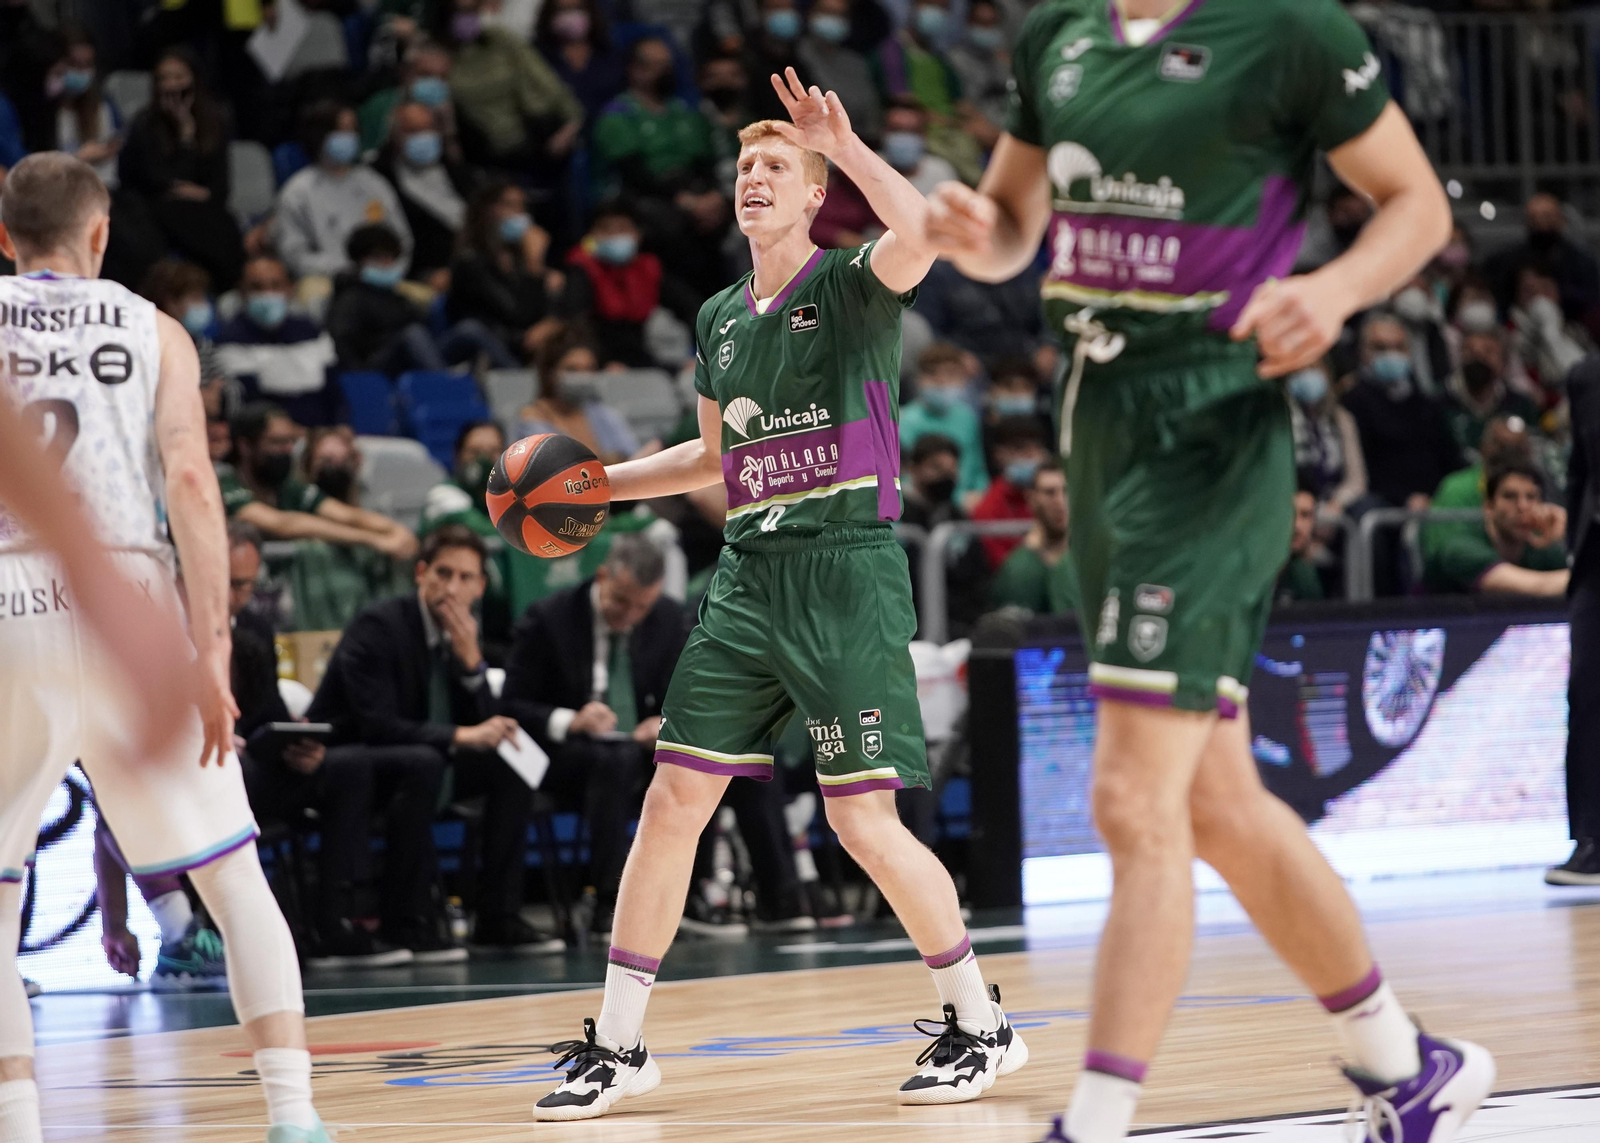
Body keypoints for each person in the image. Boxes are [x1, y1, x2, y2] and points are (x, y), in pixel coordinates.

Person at [922, 0, 1493, 1139]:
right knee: (1220, 804)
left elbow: (1416, 203)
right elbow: (1010, 232)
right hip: (1095, 428)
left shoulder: (1288, 30)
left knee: (1132, 799)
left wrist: (1331, 292)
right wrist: (959, 228)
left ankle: (1093, 1119)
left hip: (1213, 431)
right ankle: (1401, 1063)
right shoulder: (1059, 36)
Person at [533, 74, 1028, 1121]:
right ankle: (618, 1045)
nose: (753, 179)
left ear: (810, 197)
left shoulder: (853, 280)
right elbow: (712, 456)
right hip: (749, 576)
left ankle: (980, 1024)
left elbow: (921, 230)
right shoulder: (717, 317)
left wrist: (841, 144)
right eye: (744, 167)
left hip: (844, 567)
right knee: (672, 798)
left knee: (862, 823)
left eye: (773, 170)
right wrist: (601, 486)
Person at [0, 152, 330, 1143]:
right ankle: (294, 1117)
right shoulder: (157, 329)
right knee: (231, 879)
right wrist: (212, 647)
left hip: (9, 588)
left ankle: (19, 1126)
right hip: (131, 590)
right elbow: (192, 484)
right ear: (101, 236)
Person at [307, 525, 563, 954]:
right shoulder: (380, 626)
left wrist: (471, 665)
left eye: (465, 578)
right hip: (352, 759)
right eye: (443, 573)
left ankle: (497, 918)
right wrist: (464, 735)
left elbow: (488, 723)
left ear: (481, 587)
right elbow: (377, 724)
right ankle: (403, 921)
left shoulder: (466, 633)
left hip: (425, 758)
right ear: (420, 574)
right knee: (424, 762)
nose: (451, 588)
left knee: (509, 764)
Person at [500, 536, 690, 936]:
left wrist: (665, 723)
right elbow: (511, 705)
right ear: (603, 575)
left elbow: (691, 696)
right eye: (621, 601)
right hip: (566, 757)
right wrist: (570, 719)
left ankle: (696, 896)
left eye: (642, 606)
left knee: (698, 762)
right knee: (612, 762)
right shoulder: (549, 618)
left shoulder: (669, 618)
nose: (631, 615)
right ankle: (611, 903)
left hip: (639, 751)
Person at [221, 401, 418, 561]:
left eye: (290, 442)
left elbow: (346, 515)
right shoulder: (224, 482)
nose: (287, 450)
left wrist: (395, 529)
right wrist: (373, 539)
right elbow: (283, 524)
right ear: (245, 446)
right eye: (276, 442)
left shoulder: (287, 485)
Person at [116, 48, 243, 291]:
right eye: (164, 78)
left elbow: (219, 186)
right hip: (154, 208)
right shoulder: (145, 124)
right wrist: (185, 140)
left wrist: (188, 128)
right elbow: (157, 180)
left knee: (226, 227)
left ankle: (226, 289)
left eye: (178, 77)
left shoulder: (215, 120)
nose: (171, 85)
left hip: (203, 206)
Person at [327, 223, 519, 373]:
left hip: (416, 356)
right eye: (379, 258)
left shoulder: (398, 297)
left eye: (390, 258)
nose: (387, 264)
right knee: (413, 334)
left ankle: (521, 382)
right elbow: (342, 345)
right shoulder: (350, 298)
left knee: (470, 329)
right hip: (376, 364)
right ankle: (450, 390)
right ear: (360, 261)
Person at [438, 0, 584, 178]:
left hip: (530, 143)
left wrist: (571, 122)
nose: (468, 19)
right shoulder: (436, 56)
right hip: (477, 154)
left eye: (473, 11)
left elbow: (544, 80)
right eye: (461, 12)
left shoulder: (499, 39)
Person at [1552, 354, 1600, 886]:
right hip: (1596, 560)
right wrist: (1573, 549)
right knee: (1587, 698)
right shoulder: (1587, 376)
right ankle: (1591, 841)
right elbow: (1579, 471)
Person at [274, 101, 414, 283]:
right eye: (341, 131)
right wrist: (347, 271)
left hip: (383, 278)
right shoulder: (297, 191)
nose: (349, 137)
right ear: (319, 135)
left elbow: (402, 240)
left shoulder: (374, 183)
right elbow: (294, 254)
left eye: (352, 131)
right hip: (326, 282)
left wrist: (389, 270)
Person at [1341, 312, 1461, 513]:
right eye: (1380, 348)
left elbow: (1447, 456)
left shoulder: (1426, 402)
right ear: (1362, 351)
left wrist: (1437, 496)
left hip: (1431, 502)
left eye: (1398, 347)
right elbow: (1364, 468)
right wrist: (1404, 499)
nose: (1391, 355)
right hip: (1384, 505)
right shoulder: (1353, 402)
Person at [447, 180, 574, 362]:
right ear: (486, 211)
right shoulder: (470, 263)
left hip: (524, 346)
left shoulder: (520, 263)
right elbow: (517, 314)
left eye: (522, 207)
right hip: (485, 352)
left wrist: (551, 323)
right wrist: (535, 265)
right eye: (509, 205)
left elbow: (550, 314)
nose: (519, 215)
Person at [592, 38, 715, 203]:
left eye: (668, 66)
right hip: (646, 196)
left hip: (692, 188)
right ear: (635, 70)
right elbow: (632, 173)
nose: (666, 72)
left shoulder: (684, 109)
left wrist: (711, 196)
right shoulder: (618, 114)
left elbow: (704, 162)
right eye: (658, 66)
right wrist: (681, 200)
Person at [212, 256, 338, 417]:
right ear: (242, 292)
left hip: (319, 431)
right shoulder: (228, 338)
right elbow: (248, 401)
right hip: (266, 434)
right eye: (257, 287)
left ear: (290, 288)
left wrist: (340, 426)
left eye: (276, 285)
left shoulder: (312, 331)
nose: (268, 294)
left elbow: (333, 391)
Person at [1422, 461, 1568, 596]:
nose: (1523, 506)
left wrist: (1564, 535)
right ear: (1489, 507)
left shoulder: (1541, 549)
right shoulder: (1459, 549)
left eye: (1531, 497)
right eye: (1510, 496)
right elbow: (1540, 587)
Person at [376, 100, 476, 287]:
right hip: (426, 268)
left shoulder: (456, 170)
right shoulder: (381, 178)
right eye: (413, 131)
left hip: (476, 255)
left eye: (428, 129)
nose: (424, 137)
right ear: (395, 135)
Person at [563, 202, 664, 368]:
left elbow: (688, 307)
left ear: (637, 235)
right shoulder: (580, 269)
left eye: (623, 229)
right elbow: (577, 322)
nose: (615, 235)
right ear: (591, 237)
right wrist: (601, 363)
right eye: (606, 230)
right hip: (598, 357)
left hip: (641, 356)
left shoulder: (649, 268)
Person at [1486, 191, 1600, 325]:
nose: (1541, 223)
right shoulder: (1508, 261)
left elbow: (1591, 299)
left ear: (1561, 219)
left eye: (1547, 216)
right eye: (1534, 218)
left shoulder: (1581, 262)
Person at [900, 342, 987, 507]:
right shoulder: (905, 421)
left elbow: (977, 470)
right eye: (933, 374)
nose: (941, 381)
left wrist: (981, 497)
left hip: (966, 505)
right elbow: (903, 476)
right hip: (918, 503)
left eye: (950, 374)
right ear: (918, 379)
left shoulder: (967, 418)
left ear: (962, 378)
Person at [1287, 357, 1368, 522]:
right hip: (1293, 503)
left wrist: (1336, 504)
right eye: (1299, 370)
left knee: (1365, 510)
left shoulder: (1342, 418)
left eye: (1314, 369)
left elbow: (1356, 480)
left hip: (1333, 502)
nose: (1307, 376)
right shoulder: (1279, 420)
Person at [990, 465, 1079, 616]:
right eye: (1049, 493)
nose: (1060, 501)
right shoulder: (1020, 568)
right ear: (1032, 499)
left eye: (1066, 491)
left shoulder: (1086, 560)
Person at [1443, 328, 1542, 459]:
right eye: (1470, 351)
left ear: (1503, 362)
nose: (1478, 357)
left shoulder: (1521, 405)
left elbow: (1535, 454)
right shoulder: (1437, 406)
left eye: (1488, 351)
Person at [796, 0, 883, 146]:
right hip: (811, 142)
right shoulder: (796, 56)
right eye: (827, 12)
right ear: (810, 15)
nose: (833, 20)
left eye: (839, 15)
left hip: (856, 144)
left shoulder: (856, 63)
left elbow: (870, 112)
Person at [970, 416, 1050, 569]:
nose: (1032, 455)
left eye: (1037, 448)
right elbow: (1002, 566)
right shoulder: (989, 507)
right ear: (999, 454)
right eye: (1022, 449)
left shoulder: (1055, 496)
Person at [536, 0, 627, 124]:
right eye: (561, 10)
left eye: (577, 8)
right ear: (549, 15)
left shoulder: (609, 52)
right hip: (557, 135)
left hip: (608, 131)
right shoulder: (536, 56)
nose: (570, 16)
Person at [49, 32, 121, 189]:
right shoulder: (45, 111)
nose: (82, 72)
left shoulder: (103, 104)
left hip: (102, 190)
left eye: (88, 65)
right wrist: (77, 158)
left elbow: (116, 142)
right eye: (74, 64)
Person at [877, 97, 959, 198]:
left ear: (924, 136)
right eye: (897, 130)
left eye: (912, 131)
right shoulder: (866, 169)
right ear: (884, 133)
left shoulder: (941, 172)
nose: (904, 138)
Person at [1276, 482, 1325, 604]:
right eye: (1290, 514)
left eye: (1305, 515)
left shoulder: (1325, 573)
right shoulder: (1253, 575)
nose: (1297, 525)